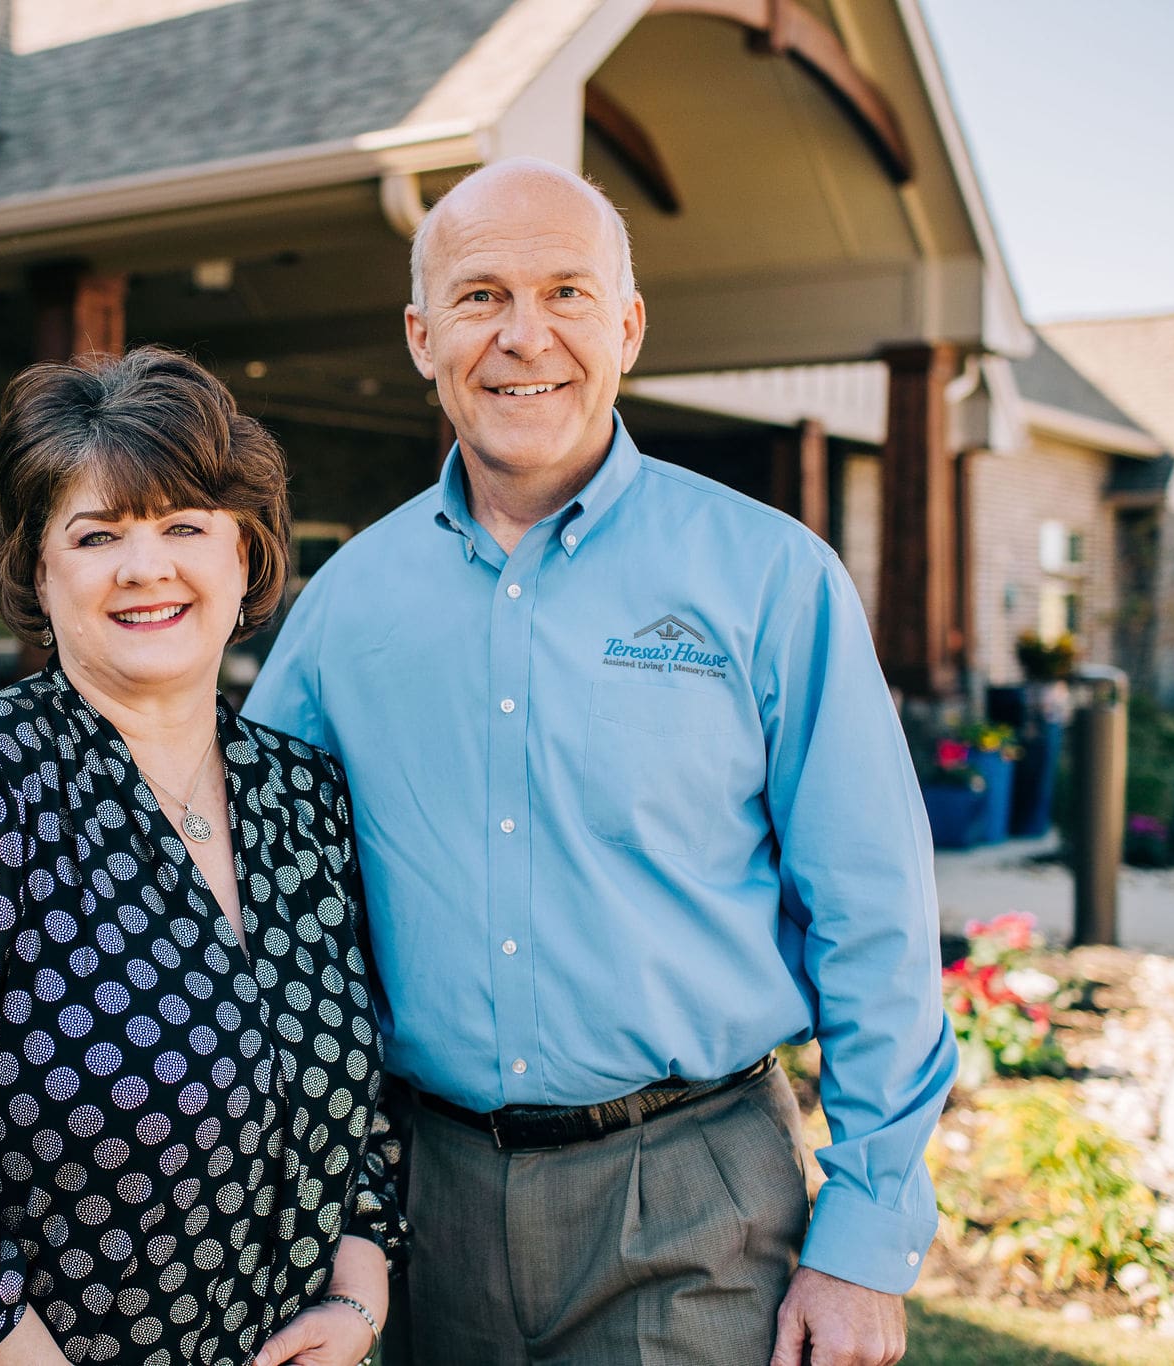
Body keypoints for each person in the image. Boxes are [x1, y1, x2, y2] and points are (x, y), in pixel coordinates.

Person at [243, 157, 956, 1366]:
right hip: (429, 1200)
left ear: (624, 326)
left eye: (566, 293)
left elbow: (873, 915)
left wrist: (860, 1239)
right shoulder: (344, 604)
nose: (525, 337)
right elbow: (254, 887)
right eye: (478, 299)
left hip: (691, 1201)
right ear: (421, 338)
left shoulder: (768, 579)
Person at [0, 347, 405, 1366]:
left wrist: (359, 1296)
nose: (145, 566)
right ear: (35, 569)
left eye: (184, 527)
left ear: (243, 557)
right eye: (98, 532)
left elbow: (351, 1099)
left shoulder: (303, 796)